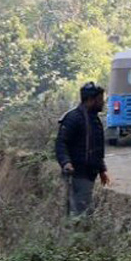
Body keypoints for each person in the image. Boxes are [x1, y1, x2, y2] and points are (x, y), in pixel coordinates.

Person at [55, 81, 110, 216]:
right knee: (80, 211)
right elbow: (61, 143)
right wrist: (66, 162)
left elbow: (96, 147)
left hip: (90, 173)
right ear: (91, 100)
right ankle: (77, 234)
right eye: (100, 100)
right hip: (77, 173)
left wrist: (102, 170)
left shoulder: (94, 120)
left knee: (84, 208)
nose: (102, 103)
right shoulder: (73, 118)